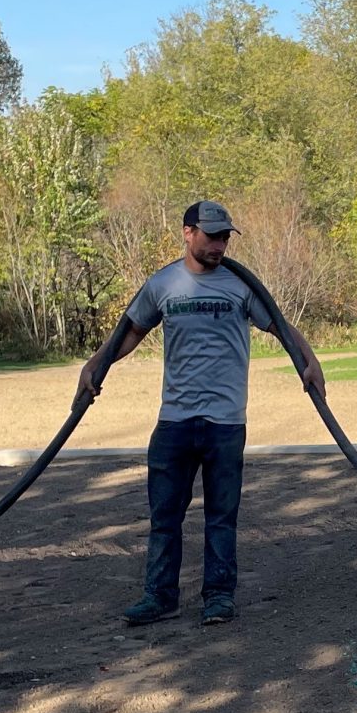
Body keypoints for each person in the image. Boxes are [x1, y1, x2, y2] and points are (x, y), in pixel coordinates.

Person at [79, 199, 325, 628]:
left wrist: (309, 361)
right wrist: (95, 365)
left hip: (225, 421)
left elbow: (280, 327)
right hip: (174, 420)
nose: (220, 245)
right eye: (212, 235)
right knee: (165, 516)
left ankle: (218, 596)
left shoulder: (241, 285)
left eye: (225, 236)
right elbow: (131, 331)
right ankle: (160, 596)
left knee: (221, 516)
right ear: (188, 233)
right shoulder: (163, 284)